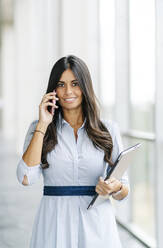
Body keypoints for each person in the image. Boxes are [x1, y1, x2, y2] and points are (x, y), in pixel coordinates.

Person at [16, 55, 129, 248]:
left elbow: (124, 190)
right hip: (53, 224)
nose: (68, 91)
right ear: (53, 90)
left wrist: (114, 187)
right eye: (61, 84)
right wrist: (43, 124)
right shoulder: (39, 128)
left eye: (75, 83)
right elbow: (26, 177)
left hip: (98, 226)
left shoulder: (108, 130)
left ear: (85, 86)